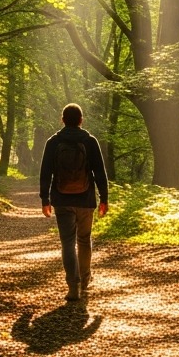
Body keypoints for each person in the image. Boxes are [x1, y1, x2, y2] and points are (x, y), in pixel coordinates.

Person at [39, 103, 109, 301]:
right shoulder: (90, 141)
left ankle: (73, 286)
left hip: (61, 200)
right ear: (81, 120)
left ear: (63, 120)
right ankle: (85, 279)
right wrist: (104, 198)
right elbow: (100, 172)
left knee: (68, 243)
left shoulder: (53, 142)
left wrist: (45, 199)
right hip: (86, 199)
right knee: (84, 240)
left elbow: (45, 173)